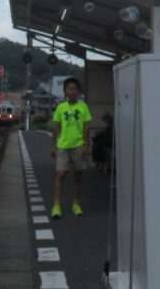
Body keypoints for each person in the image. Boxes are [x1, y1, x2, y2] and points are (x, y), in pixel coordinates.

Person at [50, 77, 92, 219]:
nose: (72, 91)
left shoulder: (83, 107)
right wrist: (53, 146)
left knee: (78, 176)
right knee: (60, 174)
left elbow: (87, 128)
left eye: (75, 89)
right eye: (69, 89)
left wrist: (87, 145)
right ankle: (56, 205)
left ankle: (76, 204)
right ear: (65, 91)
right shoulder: (61, 107)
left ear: (79, 91)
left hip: (79, 145)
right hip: (63, 145)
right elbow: (56, 128)